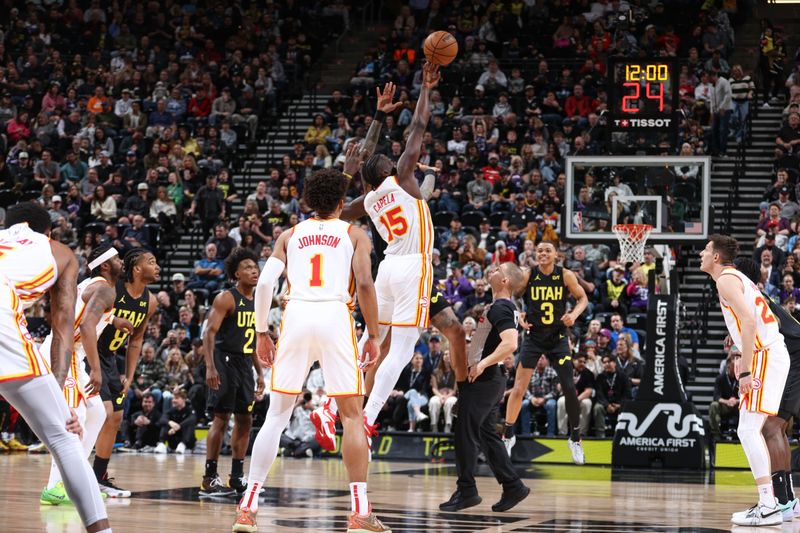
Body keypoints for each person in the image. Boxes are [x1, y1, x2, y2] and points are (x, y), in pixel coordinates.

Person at [233, 168, 388, 533]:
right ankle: (360, 512)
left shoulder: (289, 234)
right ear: (340, 203)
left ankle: (248, 506)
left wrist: (260, 332)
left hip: (296, 315)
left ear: (307, 202)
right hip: (335, 315)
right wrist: (374, 334)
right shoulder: (354, 233)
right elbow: (364, 283)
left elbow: (267, 281)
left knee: (276, 416)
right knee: (351, 416)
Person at [310, 65, 443, 443]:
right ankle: (367, 417)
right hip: (413, 266)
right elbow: (417, 127)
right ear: (387, 168)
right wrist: (425, 90)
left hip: (387, 271)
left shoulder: (367, 200)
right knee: (399, 351)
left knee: (373, 344)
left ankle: (329, 408)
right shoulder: (403, 177)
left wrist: (347, 171)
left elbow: (331, 208)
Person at [0, 202, 111, 532]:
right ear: (47, 232)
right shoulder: (60, 251)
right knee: (65, 436)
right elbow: (63, 327)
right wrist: (62, 403)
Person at [700, 235, 789, 526]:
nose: (701, 253)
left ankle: (768, 504)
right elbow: (750, 321)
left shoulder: (725, 279)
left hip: (765, 355)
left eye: (705, 249)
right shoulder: (735, 277)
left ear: (716, 257)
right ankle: (769, 503)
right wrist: (739, 340)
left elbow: (750, 321)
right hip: (771, 352)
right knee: (749, 429)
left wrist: (745, 371)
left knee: (749, 429)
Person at [39, 244, 132, 505]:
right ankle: (55, 486)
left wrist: (115, 321)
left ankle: (78, 480)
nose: (121, 261)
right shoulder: (104, 288)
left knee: (97, 412)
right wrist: (97, 369)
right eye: (116, 258)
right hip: (62, 353)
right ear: (105, 265)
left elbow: (89, 311)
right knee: (75, 416)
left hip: (71, 352)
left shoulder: (95, 285)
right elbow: (88, 326)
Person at [441, 262, 530, 513]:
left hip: (487, 378)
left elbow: (511, 343)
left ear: (505, 282)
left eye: (498, 270)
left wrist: (481, 364)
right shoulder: (500, 307)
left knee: (465, 432)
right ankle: (513, 486)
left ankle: (467, 490)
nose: (492, 270)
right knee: (486, 435)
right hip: (490, 379)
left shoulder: (502, 306)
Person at [503, 241, 589, 463]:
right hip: (533, 336)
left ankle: (575, 438)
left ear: (555, 255)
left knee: (570, 388)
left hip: (558, 337)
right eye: (539, 250)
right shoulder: (527, 274)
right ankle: (508, 435)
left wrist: (574, 314)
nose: (542, 253)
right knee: (519, 388)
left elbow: (583, 298)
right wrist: (518, 314)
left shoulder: (566, 275)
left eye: (547, 250)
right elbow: (510, 295)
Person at [736, 257, 800, 520]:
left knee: (770, 427)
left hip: (794, 358)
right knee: (776, 427)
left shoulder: (750, 296)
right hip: (794, 357)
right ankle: (788, 500)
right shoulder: (758, 295)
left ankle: (781, 500)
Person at [93, 248, 159, 498]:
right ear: (137, 268)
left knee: (116, 418)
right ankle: (76, 475)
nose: (158, 266)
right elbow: (89, 320)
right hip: (89, 353)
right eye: (152, 262)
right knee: (103, 413)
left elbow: (136, 340)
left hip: (110, 359)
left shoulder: (150, 301)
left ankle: (98, 477)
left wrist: (129, 375)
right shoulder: (113, 289)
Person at [201, 247, 265, 496]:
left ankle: (237, 477)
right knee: (221, 417)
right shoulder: (226, 298)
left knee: (245, 419)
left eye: (255, 267)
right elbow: (209, 333)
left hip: (244, 364)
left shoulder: (258, 300)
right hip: (223, 360)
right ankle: (209, 477)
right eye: (248, 267)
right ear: (236, 273)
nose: (254, 270)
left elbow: (252, 342)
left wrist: (259, 373)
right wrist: (210, 366)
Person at [708, 354, 740, 441]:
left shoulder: (741, 378)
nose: (736, 368)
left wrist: (735, 401)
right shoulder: (720, 378)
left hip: (738, 405)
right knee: (714, 405)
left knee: (748, 406)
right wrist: (727, 402)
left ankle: (744, 434)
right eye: (734, 366)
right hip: (725, 405)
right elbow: (716, 397)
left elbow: (747, 396)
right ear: (728, 365)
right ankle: (716, 434)